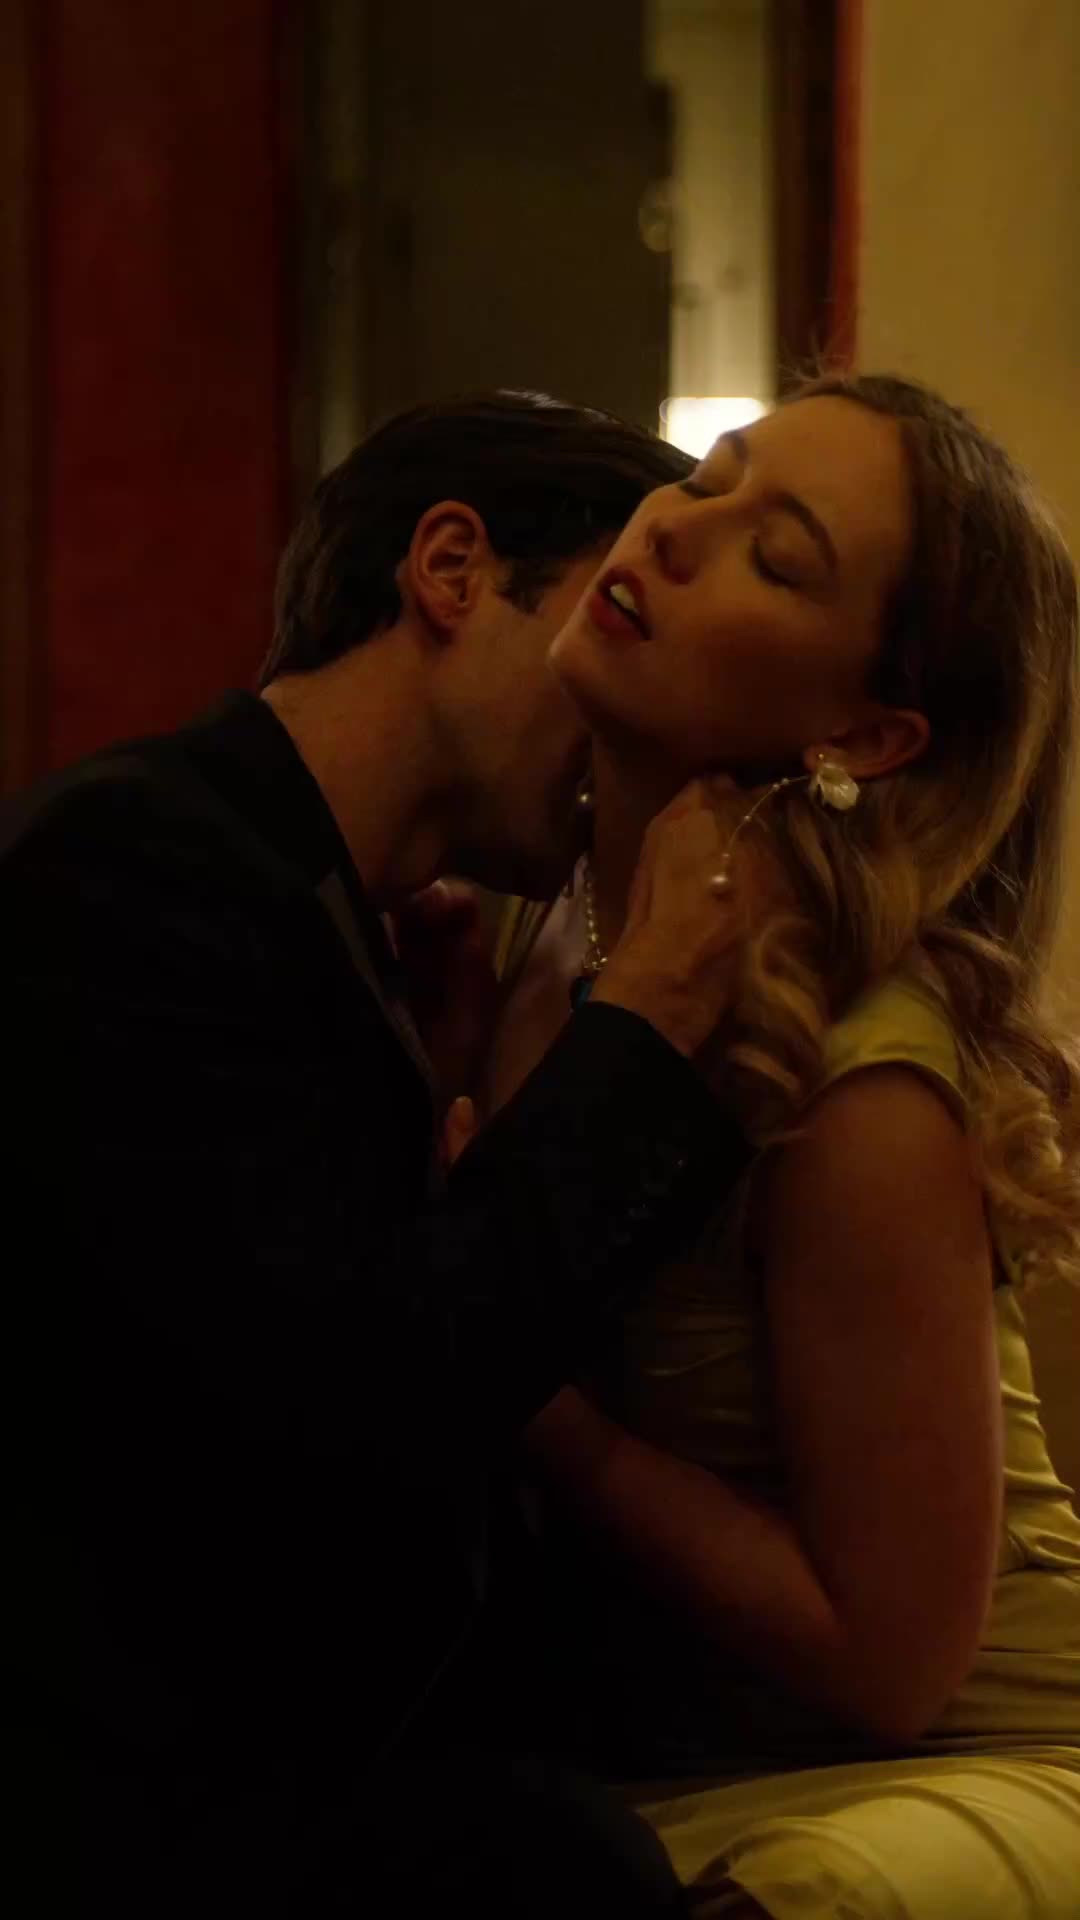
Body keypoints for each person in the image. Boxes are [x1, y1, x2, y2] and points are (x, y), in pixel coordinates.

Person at [4, 392, 782, 1915]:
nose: (632, 728)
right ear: (451, 570)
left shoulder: (328, 919)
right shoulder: (134, 867)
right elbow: (355, 1418)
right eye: (613, 632)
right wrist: (645, 1023)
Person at [480, 374, 1080, 1917]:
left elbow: (894, 1665)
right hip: (650, 1766)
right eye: (708, 480)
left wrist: (535, 1411)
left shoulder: (854, 1079)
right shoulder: (535, 935)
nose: (675, 533)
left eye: (777, 554)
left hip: (957, 1768)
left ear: (865, 734)